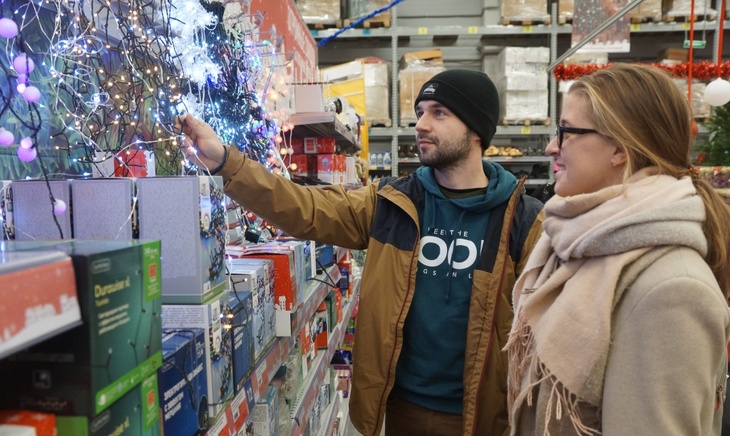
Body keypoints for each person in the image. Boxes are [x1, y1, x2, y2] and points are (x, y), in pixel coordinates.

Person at [176, 69, 544, 436]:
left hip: (485, 419)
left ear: (477, 129)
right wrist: (225, 162)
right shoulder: (392, 202)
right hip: (401, 412)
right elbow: (305, 208)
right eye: (420, 112)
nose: (421, 125)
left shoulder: (523, 222)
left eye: (439, 113)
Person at [506, 63, 730, 435]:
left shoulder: (674, 290)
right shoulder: (574, 244)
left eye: (566, 132)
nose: (551, 147)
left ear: (619, 149)